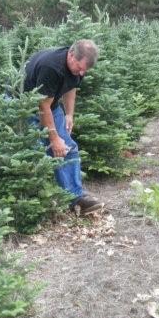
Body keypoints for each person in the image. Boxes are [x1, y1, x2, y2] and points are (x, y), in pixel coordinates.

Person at [24, 39, 104, 215]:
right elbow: (42, 107)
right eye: (79, 67)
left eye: (85, 70)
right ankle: (31, 203)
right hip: (22, 105)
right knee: (40, 151)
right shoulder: (51, 68)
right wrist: (54, 139)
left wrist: (69, 114)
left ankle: (76, 199)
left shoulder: (78, 67)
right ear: (71, 54)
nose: (81, 73)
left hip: (49, 105)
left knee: (69, 148)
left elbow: (71, 87)